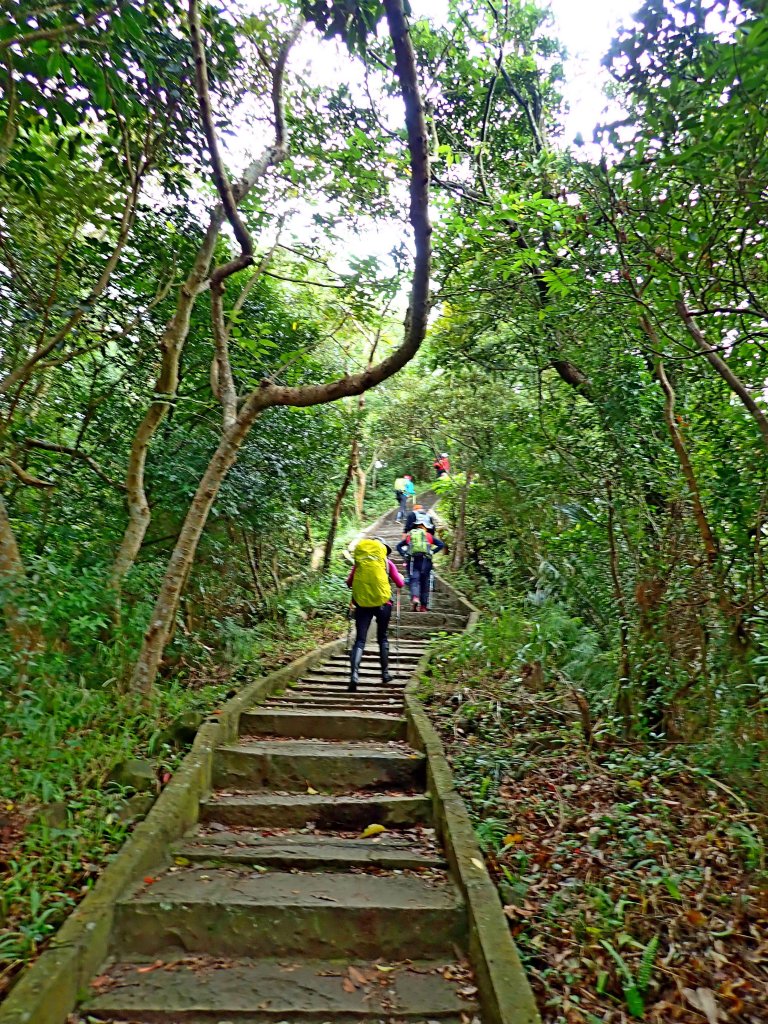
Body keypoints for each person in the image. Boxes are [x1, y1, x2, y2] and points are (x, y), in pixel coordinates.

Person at [346, 536, 405, 692]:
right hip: (383, 604)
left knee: (360, 639)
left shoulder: (360, 564)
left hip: (362, 604)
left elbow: (349, 583)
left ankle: (354, 675)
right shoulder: (387, 563)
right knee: (382, 637)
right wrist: (401, 578)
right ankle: (385, 674)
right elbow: (399, 583)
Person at [397, 523, 444, 612]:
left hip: (413, 561)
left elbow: (398, 546)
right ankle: (423, 606)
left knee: (414, 580)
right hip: (426, 562)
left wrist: (404, 554)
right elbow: (441, 544)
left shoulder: (410, 536)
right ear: (424, 528)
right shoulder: (429, 536)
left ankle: (415, 598)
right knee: (424, 583)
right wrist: (432, 552)